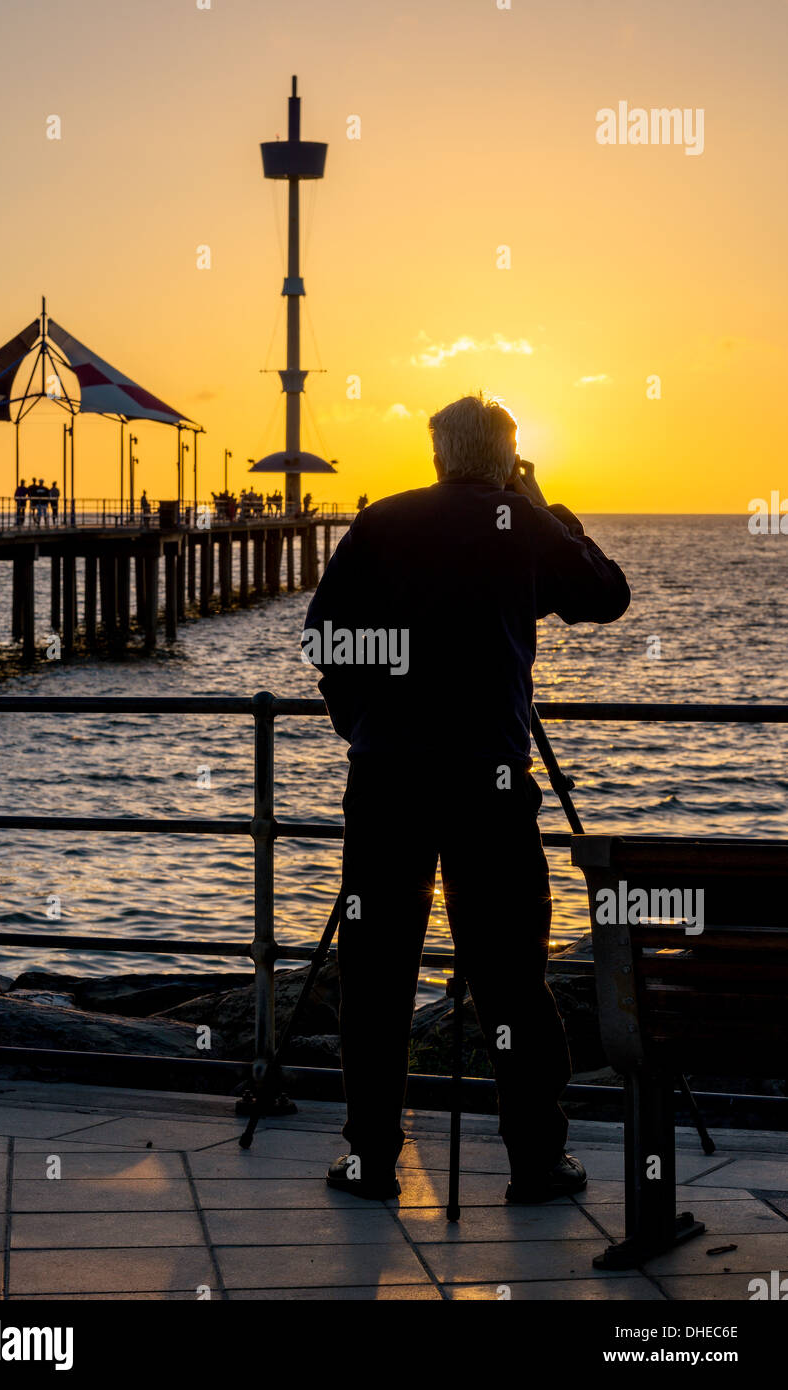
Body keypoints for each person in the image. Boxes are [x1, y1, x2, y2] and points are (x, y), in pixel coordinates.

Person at [302, 392, 630, 1204]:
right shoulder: (523, 522)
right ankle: (534, 1158)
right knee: (511, 969)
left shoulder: (382, 521)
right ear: (505, 455)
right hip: (489, 777)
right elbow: (604, 596)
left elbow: (324, 638)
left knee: (376, 972)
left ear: (439, 453)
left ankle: (373, 1159)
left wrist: (366, 721)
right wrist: (546, 507)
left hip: (387, 778)